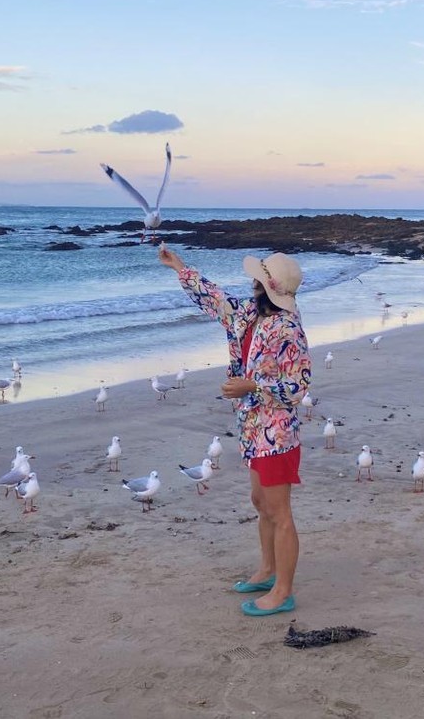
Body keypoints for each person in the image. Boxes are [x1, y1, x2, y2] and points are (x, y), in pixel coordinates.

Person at [159, 244, 311, 616]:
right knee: (261, 503)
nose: (252, 282)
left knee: (280, 512)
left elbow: (298, 387)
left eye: (258, 278)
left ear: (267, 286)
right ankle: (268, 570)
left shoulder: (288, 328)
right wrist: (179, 267)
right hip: (251, 427)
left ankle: (283, 592)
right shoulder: (249, 314)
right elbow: (215, 299)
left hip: (276, 432)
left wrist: (252, 386)